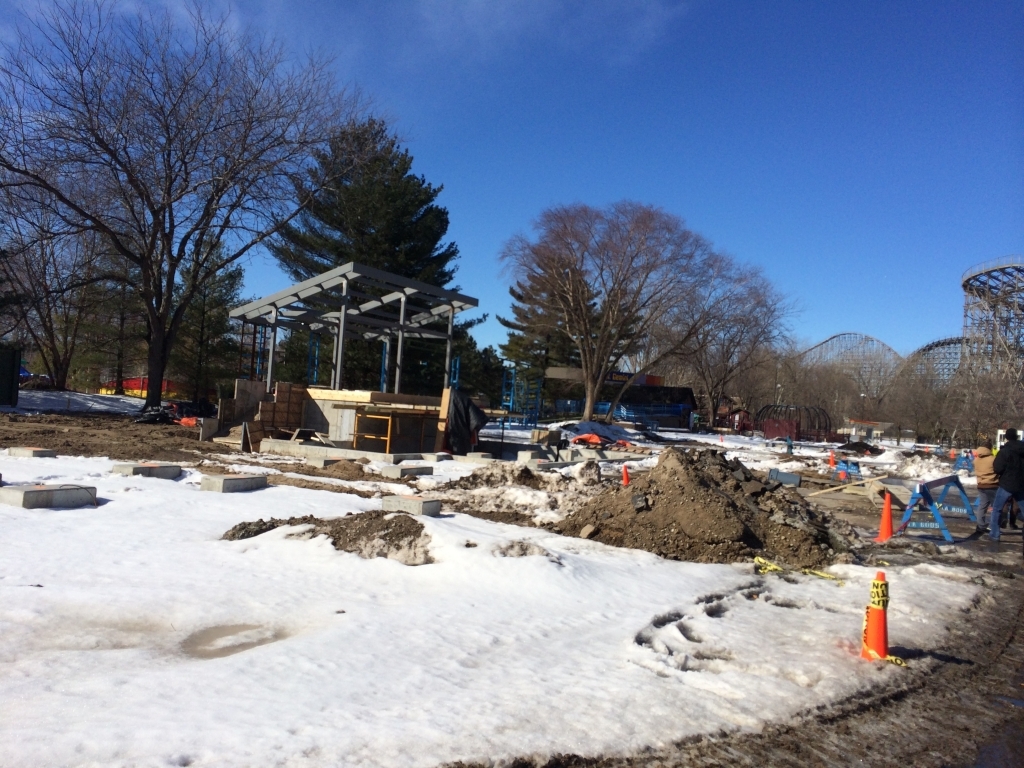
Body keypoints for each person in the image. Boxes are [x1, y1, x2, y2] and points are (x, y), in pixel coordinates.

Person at [990, 428, 1024, 542]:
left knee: (997, 509)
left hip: (1007, 483)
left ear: (1007, 437)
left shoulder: (1004, 451)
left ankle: (995, 534)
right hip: (1021, 484)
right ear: (1017, 436)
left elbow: (997, 468)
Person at [974, 440, 999, 533]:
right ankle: (995, 527)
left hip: (980, 484)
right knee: (996, 507)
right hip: (992, 484)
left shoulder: (976, 459)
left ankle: (980, 525)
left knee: (982, 505)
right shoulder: (993, 459)